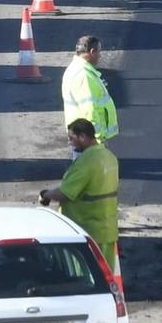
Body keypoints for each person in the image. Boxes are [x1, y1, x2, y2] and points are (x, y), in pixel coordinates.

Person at [40, 118, 120, 276]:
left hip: (86, 232)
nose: (70, 142)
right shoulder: (109, 157)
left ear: (83, 137)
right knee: (106, 278)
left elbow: (66, 193)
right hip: (107, 229)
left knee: (85, 279)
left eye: (72, 138)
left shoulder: (86, 162)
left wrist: (46, 195)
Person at [61, 35, 118, 144]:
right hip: (88, 141)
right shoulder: (84, 76)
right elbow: (89, 111)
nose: (100, 56)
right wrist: (95, 138)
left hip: (81, 137)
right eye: (99, 52)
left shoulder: (75, 69)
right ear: (92, 51)